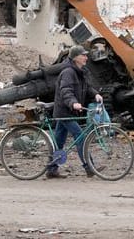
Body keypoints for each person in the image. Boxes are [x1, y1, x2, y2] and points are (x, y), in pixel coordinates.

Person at [46, 45, 103, 179]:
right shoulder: (68, 72)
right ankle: (89, 167)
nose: (86, 57)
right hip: (65, 111)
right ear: (76, 57)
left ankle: (52, 169)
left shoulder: (80, 71)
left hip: (69, 111)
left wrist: (95, 94)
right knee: (80, 137)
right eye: (83, 55)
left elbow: (87, 87)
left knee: (59, 141)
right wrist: (73, 103)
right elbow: (65, 91)